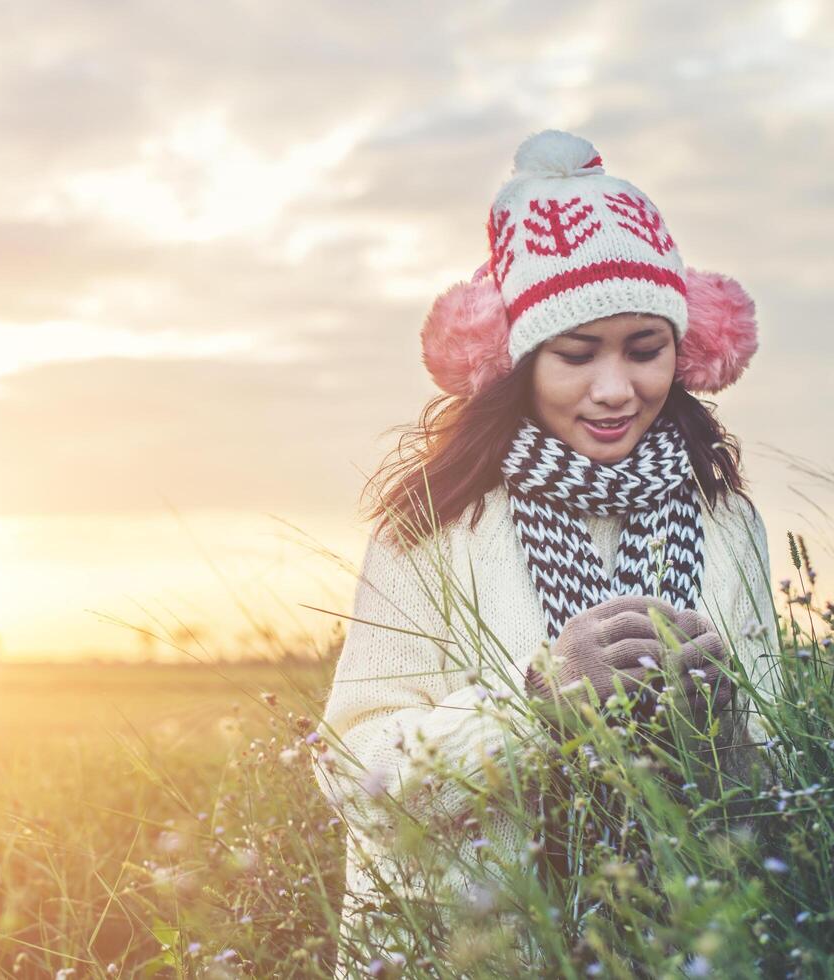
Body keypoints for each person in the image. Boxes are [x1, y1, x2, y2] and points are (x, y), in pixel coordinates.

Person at [311, 129, 782, 977]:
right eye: (575, 354)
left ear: (688, 351)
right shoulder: (434, 523)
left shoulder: (724, 521)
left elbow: (772, 785)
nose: (614, 389)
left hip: (682, 944)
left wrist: (723, 734)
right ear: (518, 362)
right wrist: (536, 703)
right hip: (471, 953)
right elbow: (356, 775)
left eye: (645, 349)